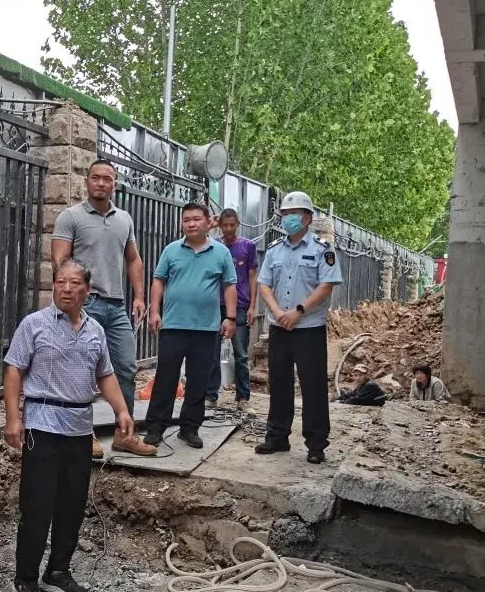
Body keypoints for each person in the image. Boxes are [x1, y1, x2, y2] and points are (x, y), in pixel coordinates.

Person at [3, 258, 135, 592]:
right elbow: (14, 370)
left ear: (87, 290)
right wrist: (13, 418)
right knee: (37, 505)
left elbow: (105, 374)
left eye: (74, 282)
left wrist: (121, 410)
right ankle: (26, 578)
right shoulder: (34, 325)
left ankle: (58, 571)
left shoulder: (96, 331)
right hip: (42, 425)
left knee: (72, 505)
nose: (65, 288)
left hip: (79, 428)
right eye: (60, 281)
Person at [51, 159, 156, 459]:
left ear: (115, 184)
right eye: (95, 178)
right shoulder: (69, 217)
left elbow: (133, 259)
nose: (100, 183)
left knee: (125, 367)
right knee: (81, 370)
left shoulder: (124, 219)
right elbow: (60, 263)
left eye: (107, 179)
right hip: (86, 306)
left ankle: (125, 435)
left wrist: (139, 295)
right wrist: (71, 301)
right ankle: (84, 435)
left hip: (116, 306)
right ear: (86, 181)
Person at [254, 191, 343, 464]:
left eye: (293, 214)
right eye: (284, 214)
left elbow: (326, 286)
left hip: (309, 329)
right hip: (280, 327)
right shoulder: (274, 250)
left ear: (306, 217)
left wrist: (299, 311)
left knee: (313, 386)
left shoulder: (322, 250)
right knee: (279, 383)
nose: (288, 218)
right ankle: (277, 436)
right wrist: (279, 312)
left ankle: (316, 443)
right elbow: (264, 284)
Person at [143, 202, 237, 449]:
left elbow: (229, 285)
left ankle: (189, 428)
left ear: (208, 222)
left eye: (196, 219)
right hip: (173, 325)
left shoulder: (221, 253)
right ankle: (155, 428)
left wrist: (230, 317)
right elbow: (158, 281)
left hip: (206, 329)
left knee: (198, 381)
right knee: (165, 378)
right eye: (186, 220)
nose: (191, 223)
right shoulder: (171, 250)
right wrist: (154, 311)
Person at [205, 209, 258, 410]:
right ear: (220, 225)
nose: (228, 229)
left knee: (241, 354)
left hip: (241, 306)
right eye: (224, 225)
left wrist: (253, 305)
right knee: (212, 352)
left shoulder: (248, 247)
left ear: (238, 224)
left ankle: (243, 397)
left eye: (231, 225)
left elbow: (252, 276)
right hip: (215, 305)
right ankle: (211, 395)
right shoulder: (214, 246)